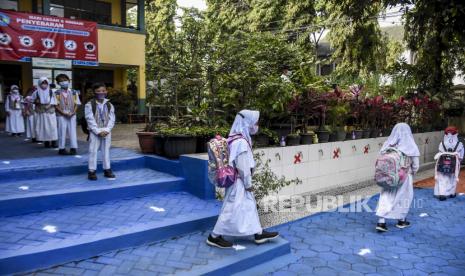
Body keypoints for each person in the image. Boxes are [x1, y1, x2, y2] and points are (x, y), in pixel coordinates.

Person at [206, 110, 279, 248]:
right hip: (239, 182)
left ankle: (258, 233)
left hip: (236, 181)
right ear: (247, 123)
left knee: (249, 206)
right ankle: (214, 236)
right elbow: (243, 166)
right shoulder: (241, 142)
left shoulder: (234, 138)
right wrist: (248, 183)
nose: (256, 125)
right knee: (231, 208)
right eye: (255, 123)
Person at [376, 123, 420, 232]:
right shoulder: (410, 145)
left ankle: (381, 222)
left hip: (387, 177)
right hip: (403, 177)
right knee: (403, 198)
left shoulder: (388, 144)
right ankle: (401, 220)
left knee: (385, 196)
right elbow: (415, 165)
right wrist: (411, 172)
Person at [85, 82, 116, 180]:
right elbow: (89, 119)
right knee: (93, 151)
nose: (101, 93)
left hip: (107, 131)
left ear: (106, 91)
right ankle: (92, 171)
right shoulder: (89, 105)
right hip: (95, 131)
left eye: (103, 91)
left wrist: (107, 130)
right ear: (94, 92)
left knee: (106, 151)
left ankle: (107, 169)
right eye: (98, 91)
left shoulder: (109, 104)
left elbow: (112, 119)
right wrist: (98, 131)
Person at [434, 126, 464, 200]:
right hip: (454, 162)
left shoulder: (442, 143)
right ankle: (451, 193)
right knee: (453, 177)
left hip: (442, 161)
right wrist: (457, 161)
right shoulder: (459, 144)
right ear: (456, 133)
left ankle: (442, 194)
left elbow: (440, 152)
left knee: (442, 178)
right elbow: (461, 156)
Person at [54, 74, 81, 155]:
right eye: (61, 81)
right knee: (61, 131)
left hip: (72, 114)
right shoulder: (57, 92)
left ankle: (73, 148)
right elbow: (55, 105)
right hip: (61, 115)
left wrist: (73, 112)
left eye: (65, 80)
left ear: (69, 81)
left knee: (72, 131)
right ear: (58, 83)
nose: (63, 82)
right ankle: (61, 149)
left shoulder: (73, 92)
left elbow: (77, 103)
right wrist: (63, 113)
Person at [31, 77, 58, 148]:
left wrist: (49, 105)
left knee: (52, 127)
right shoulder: (36, 92)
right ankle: (46, 142)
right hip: (41, 112)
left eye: (45, 83)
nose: (44, 85)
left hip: (50, 112)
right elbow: (32, 100)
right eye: (42, 83)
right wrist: (36, 102)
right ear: (39, 84)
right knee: (44, 128)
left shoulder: (51, 92)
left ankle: (54, 141)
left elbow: (55, 100)